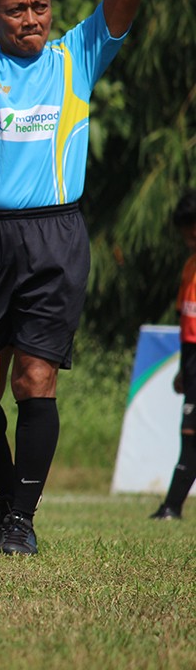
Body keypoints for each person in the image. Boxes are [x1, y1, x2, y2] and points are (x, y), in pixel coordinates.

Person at [0, 0, 147, 555]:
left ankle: (20, 521)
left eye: (40, 6)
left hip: (55, 237)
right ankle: (9, 492)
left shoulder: (75, 55)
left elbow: (125, 0)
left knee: (35, 380)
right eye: (15, 8)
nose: (30, 19)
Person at [150, 193, 196, 521]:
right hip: (192, 359)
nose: (189, 236)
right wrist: (183, 368)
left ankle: (171, 507)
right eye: (186, 230)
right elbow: (185, 320)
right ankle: (171, 507)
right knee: (189, 433)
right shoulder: (189, 267)